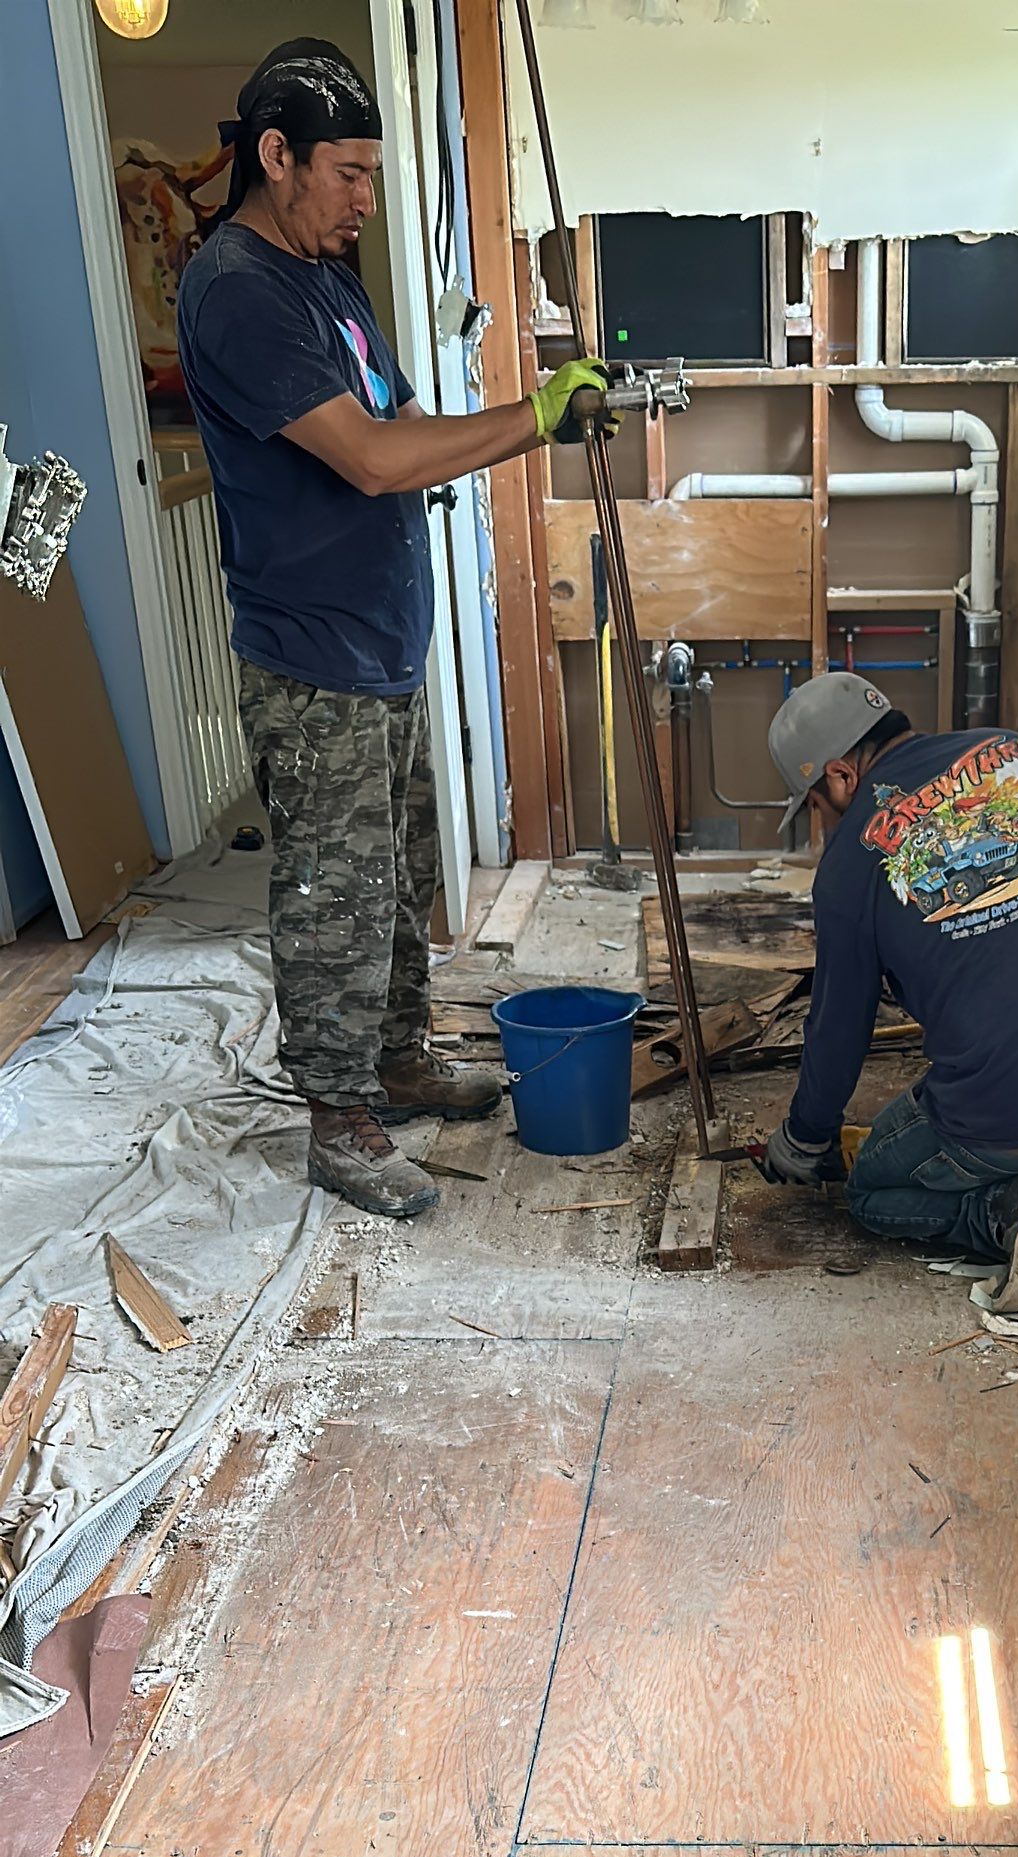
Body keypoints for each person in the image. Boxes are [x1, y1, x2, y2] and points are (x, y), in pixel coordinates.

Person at [178, 39, 614, 1219]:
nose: (367, 199)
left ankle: (398, 1057)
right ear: (277, 158)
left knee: (399, 874)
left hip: (382, 642)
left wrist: (519, 421)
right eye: (350, 173)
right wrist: (533, 420)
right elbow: (373, 461)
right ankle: (336, 1117)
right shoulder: (238, 293)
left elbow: (403, 414)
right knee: (332, 895)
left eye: (374, 174)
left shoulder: (327, 276)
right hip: (310, 657)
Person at [758, 674, 1018, 1309]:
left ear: (841, 774)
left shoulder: (850, 867)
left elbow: (838, 1030)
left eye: (819, 802)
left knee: (873, 1193)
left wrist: (803, 1139)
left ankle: (1011, 1215)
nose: (827, 818)